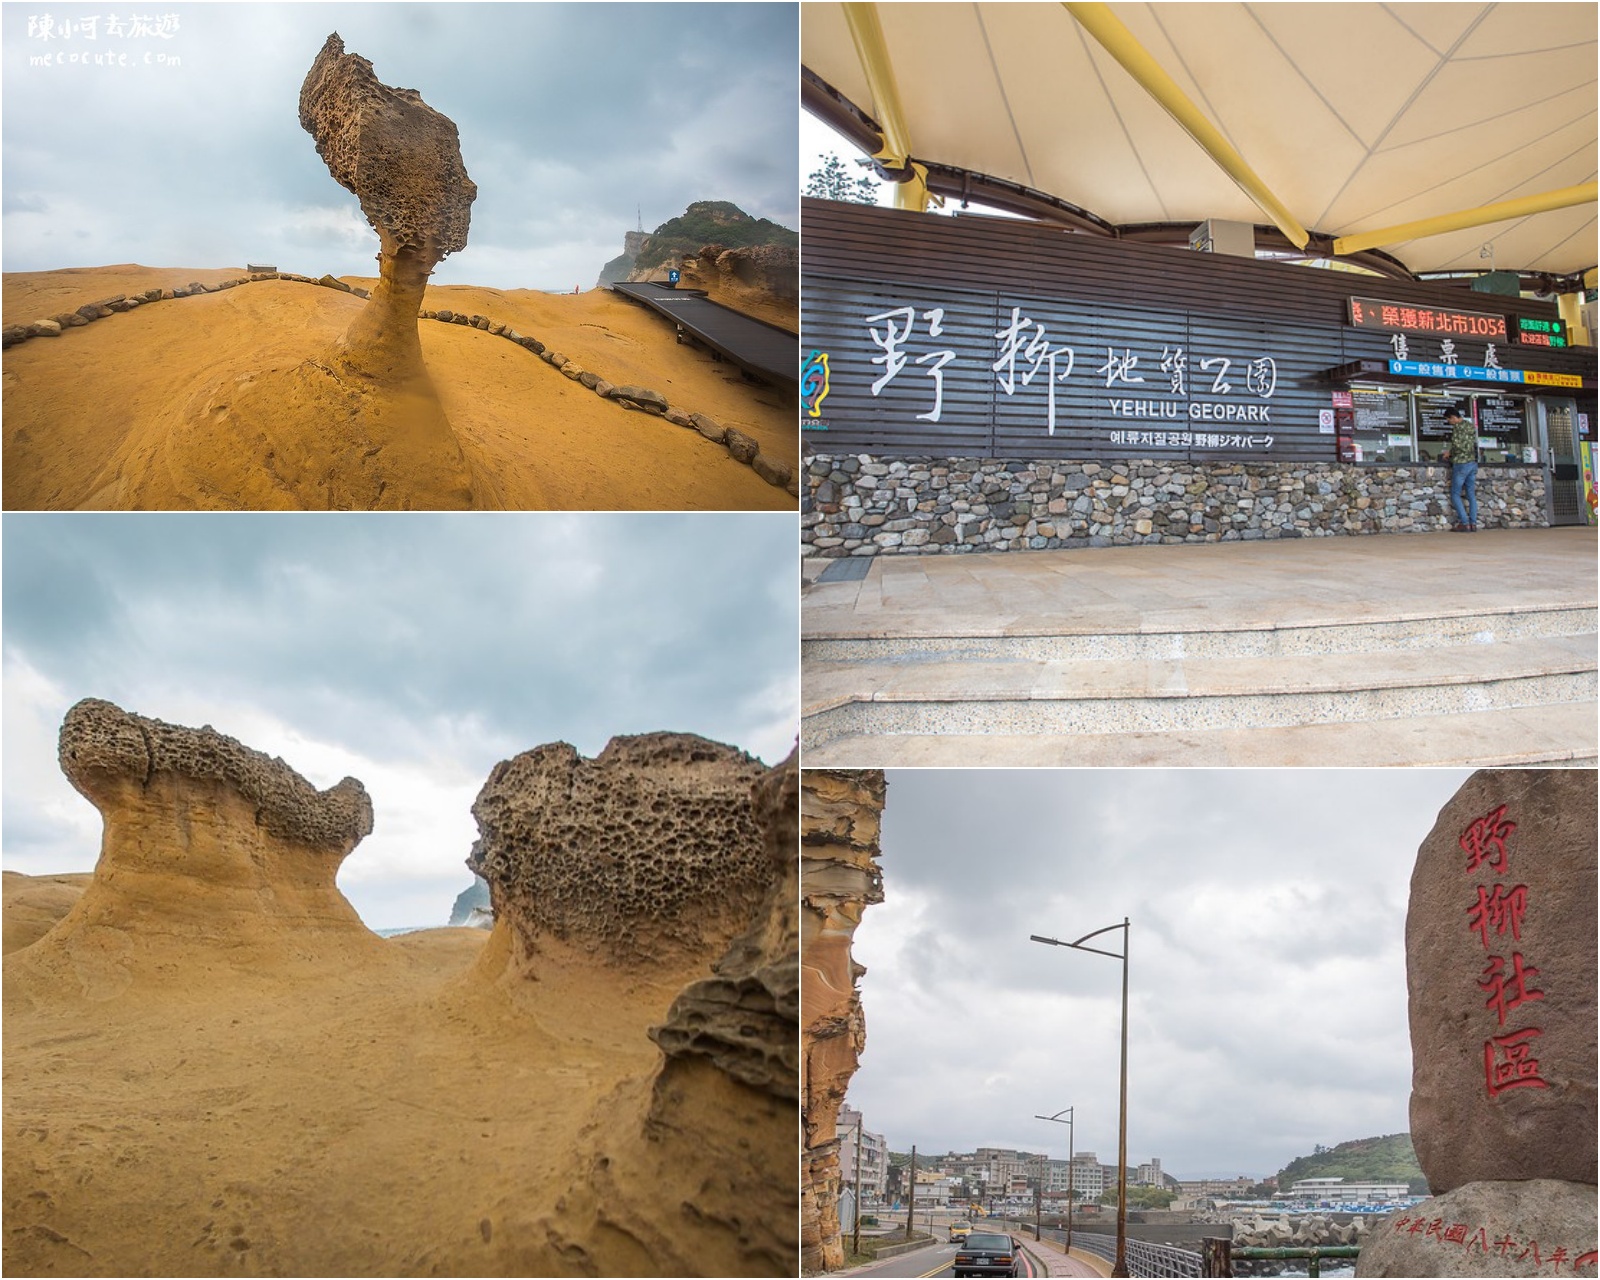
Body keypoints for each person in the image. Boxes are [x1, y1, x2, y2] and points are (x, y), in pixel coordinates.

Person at [1441, 405, 1479, 531]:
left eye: (1449, 420)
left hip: (1461, 463)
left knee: (1455, 494)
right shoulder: (1469, 425)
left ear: (1453, 417)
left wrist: (1449, 453)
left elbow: (1458, 446)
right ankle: (1473, 523)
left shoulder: (1457, 428)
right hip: (1472, 463)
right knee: (1471, 494)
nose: (1449, 422)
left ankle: (1464, 523)